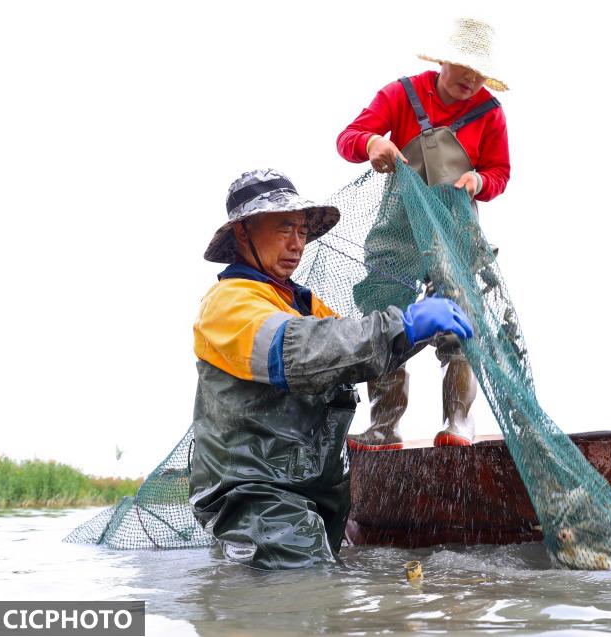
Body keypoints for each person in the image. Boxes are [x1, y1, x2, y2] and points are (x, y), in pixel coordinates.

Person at [189, 169, 474, 569]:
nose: (297, 244)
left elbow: (354, 351)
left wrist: (424, 326)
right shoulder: (228, 303)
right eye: (284, 227)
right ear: (243, 233)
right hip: (256, 501)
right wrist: (406, 324)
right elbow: (304, 352)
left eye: (303, 231)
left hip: (310, 500)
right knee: (305, 596)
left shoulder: (304, 304)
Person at [335, 17, 510, 451]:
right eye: (462, 68)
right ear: (442, 61)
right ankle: (384, 425)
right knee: (383, 312)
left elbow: (500, 173)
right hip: (397, 227)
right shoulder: (402, 93)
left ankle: (459, 421)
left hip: (455, 230)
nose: (470, 80)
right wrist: (373, 143)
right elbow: (349, 138)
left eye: (478, 73)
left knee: (460, 317)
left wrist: (478, 182)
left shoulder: (490, 113)